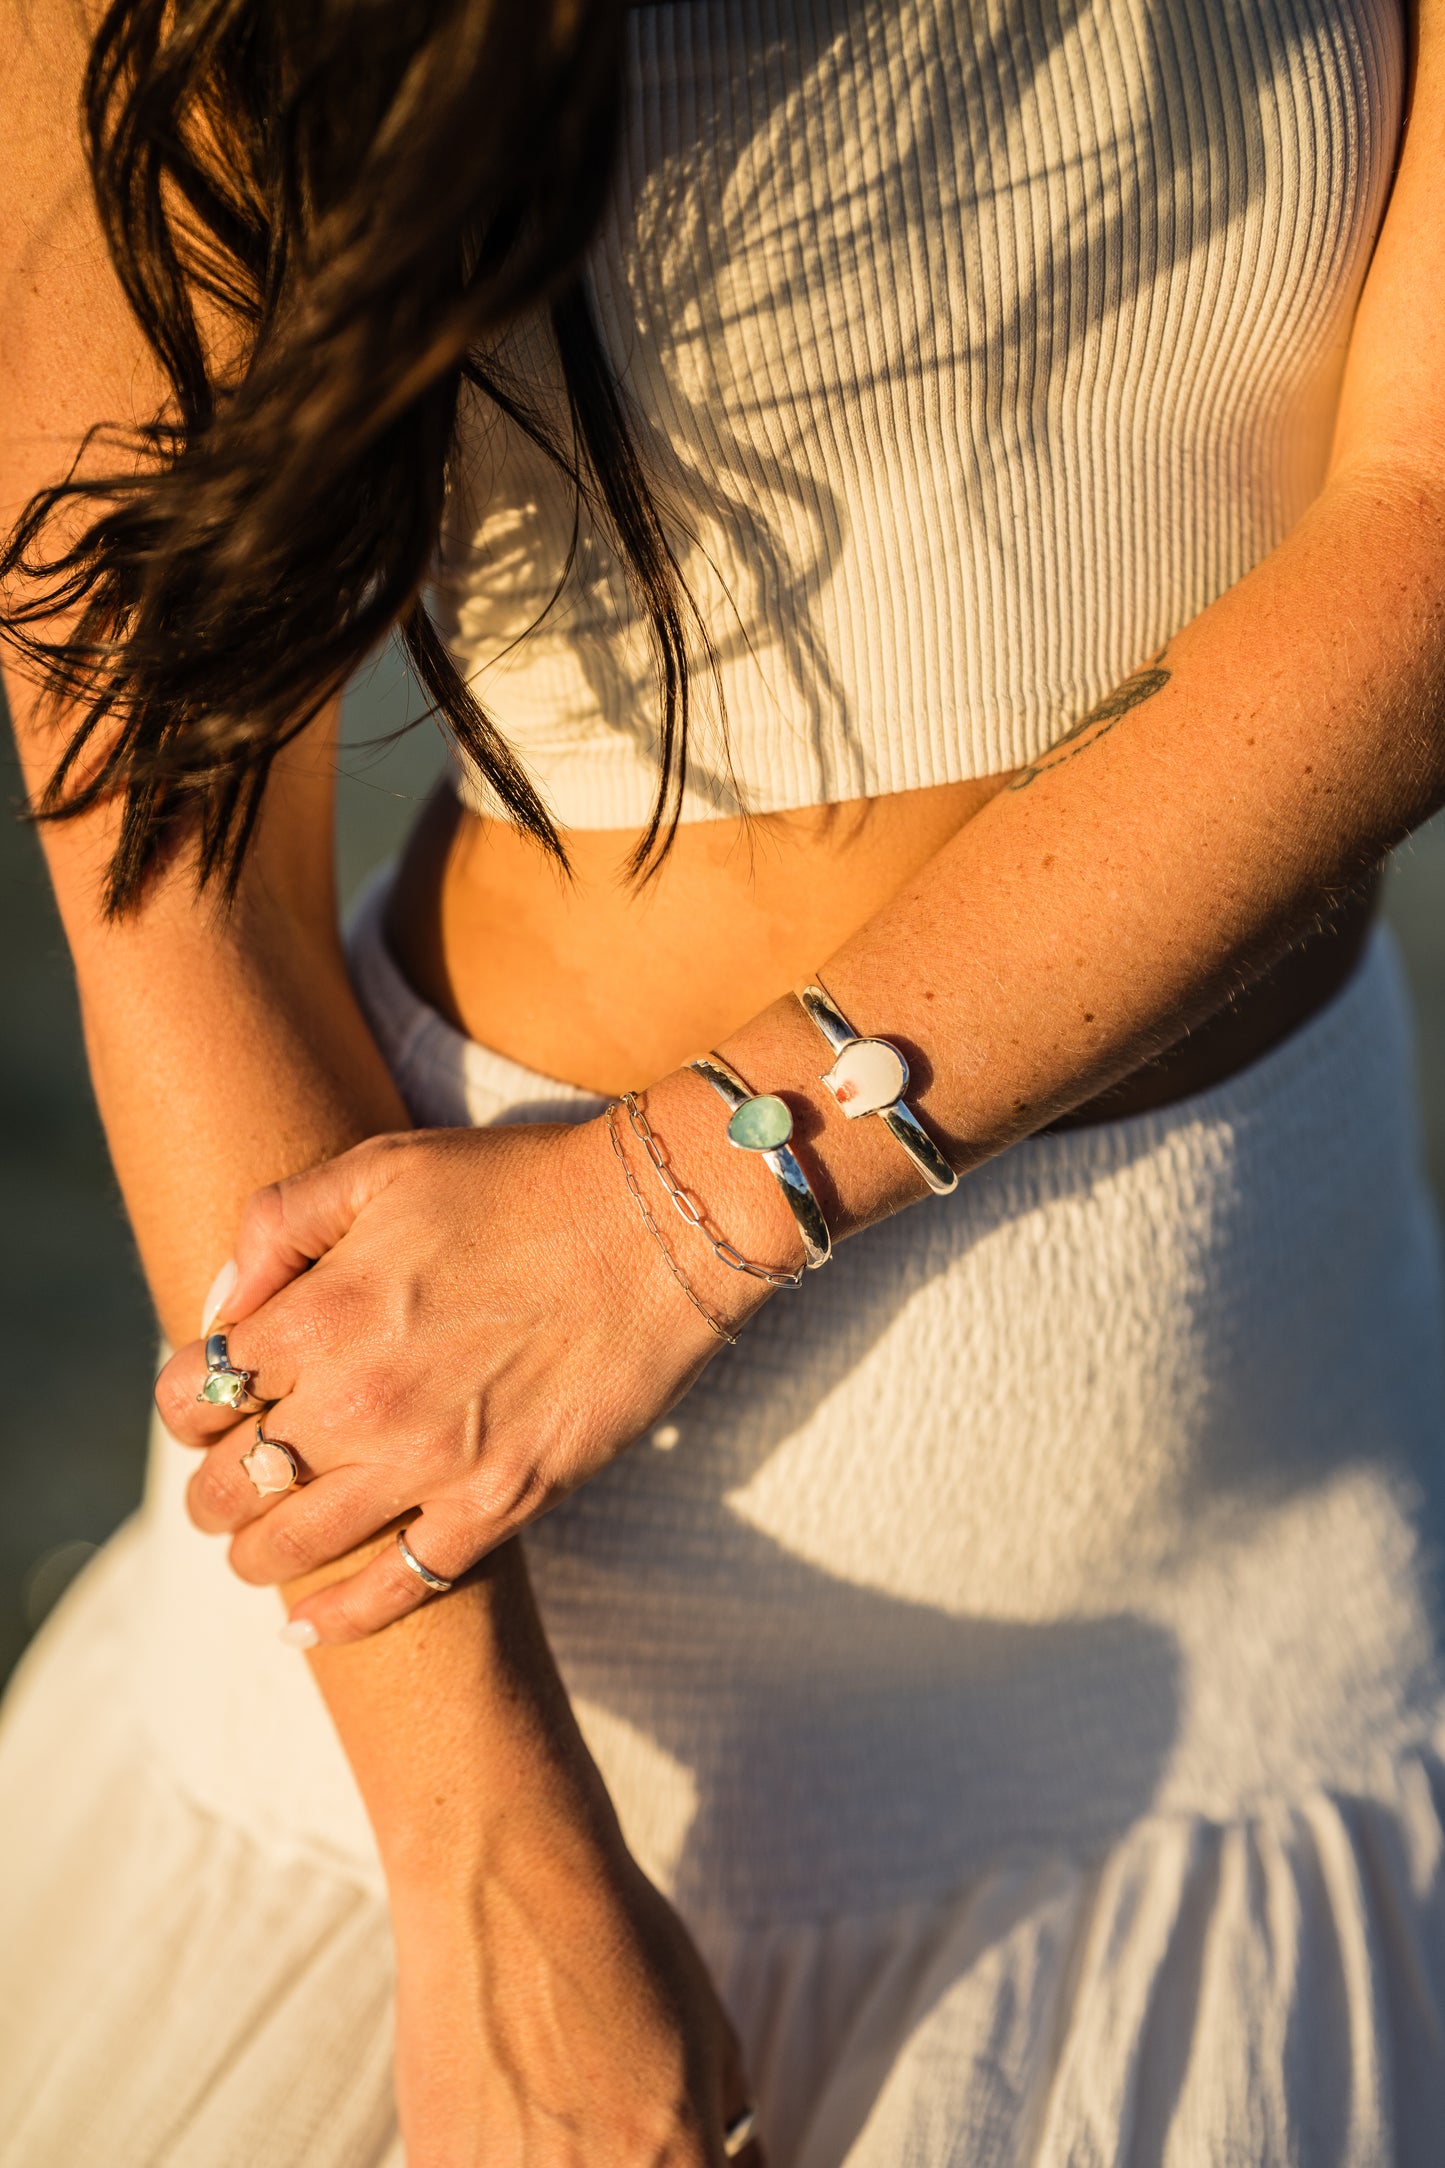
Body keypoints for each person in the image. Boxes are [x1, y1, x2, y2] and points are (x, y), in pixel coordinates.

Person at [3, 0, 1445, 2159]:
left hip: (1264, 1587)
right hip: (487, 1623)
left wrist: (657, 1222)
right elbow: (173, 868)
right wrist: (474, 1834)